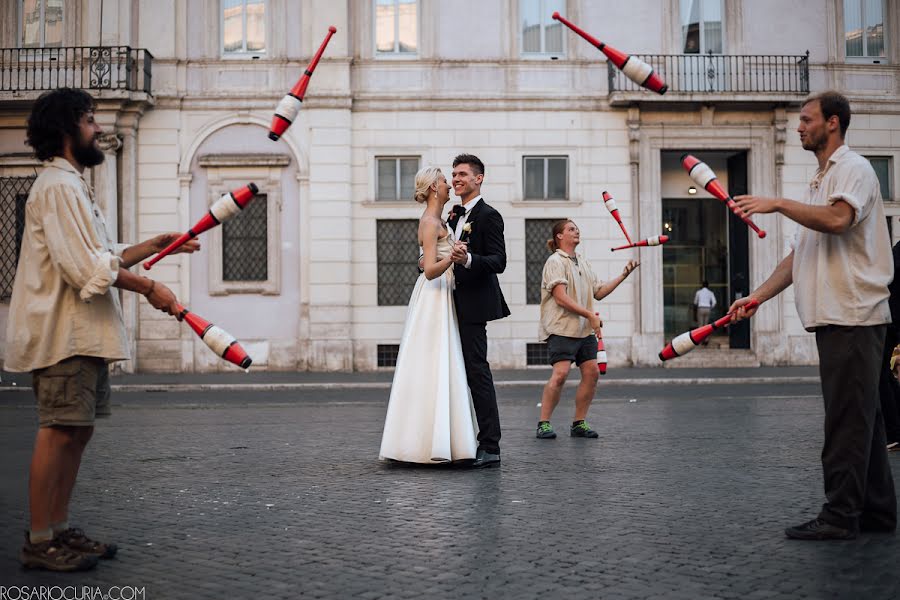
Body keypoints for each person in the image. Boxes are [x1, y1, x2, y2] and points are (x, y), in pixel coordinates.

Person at [6, 88, 198, 571]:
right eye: (91, 120)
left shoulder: (71, 184)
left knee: (77, 433)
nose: (98, 129)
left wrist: (155, 245)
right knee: (57, 432)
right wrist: (150, 287)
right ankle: (39, 540)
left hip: (82, 334)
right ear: (68, 128)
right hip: (61, 333)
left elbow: (101, 253)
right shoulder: (57, 186)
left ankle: (59, 527)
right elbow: (81, 266)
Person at [730, 90, 896, 540]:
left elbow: (839, 220)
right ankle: (878, 512)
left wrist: (778, 203)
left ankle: (840, 516)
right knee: (864, 417)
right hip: (838, 318)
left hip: (854, 316)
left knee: (846, 421)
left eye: (807, 119)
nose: (799, 127)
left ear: (834, 123)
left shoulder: (853, 169)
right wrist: (758, 297)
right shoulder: (821, 180)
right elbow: (798, 255)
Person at [379, 166, 478, 464]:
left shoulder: (440, 220)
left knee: (442, 361)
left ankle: (443, 439)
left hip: (443, 295)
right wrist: (454, 254)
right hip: (434, 296)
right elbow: (432, 270)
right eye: (445, 181)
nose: (450, 185)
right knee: (433, 361)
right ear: (435, 187)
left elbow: (425, 261)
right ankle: (425, 442)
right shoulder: (429, 222)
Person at [535, 220, 638, 439]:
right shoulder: (555, 261)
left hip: (584, 331)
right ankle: (543, 423)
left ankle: (578, 423)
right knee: (560, 374)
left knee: (591, 374)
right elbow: (561, 297)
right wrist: (590, 315)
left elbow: (598, 292)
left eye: (577, 228)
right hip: (561, 328)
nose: (576, 231)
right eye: (571, 229)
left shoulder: (582, 262)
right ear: (559, 236)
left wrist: (623, 275)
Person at [448, 154, 510, 468]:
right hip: (448, 304)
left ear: (478, 178)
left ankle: (490, 445)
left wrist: (468, 260)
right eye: (454, 174)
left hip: (473, 305)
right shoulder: (452, 215)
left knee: (477, 371)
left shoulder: (489, 216)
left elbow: (499, 261)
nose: (456, 179)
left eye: (462, 174)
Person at [880, 239, 900, 450]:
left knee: (881, 375)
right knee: (884, 374)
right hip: (892, 320)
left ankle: (893, 432)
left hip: (892, 321)